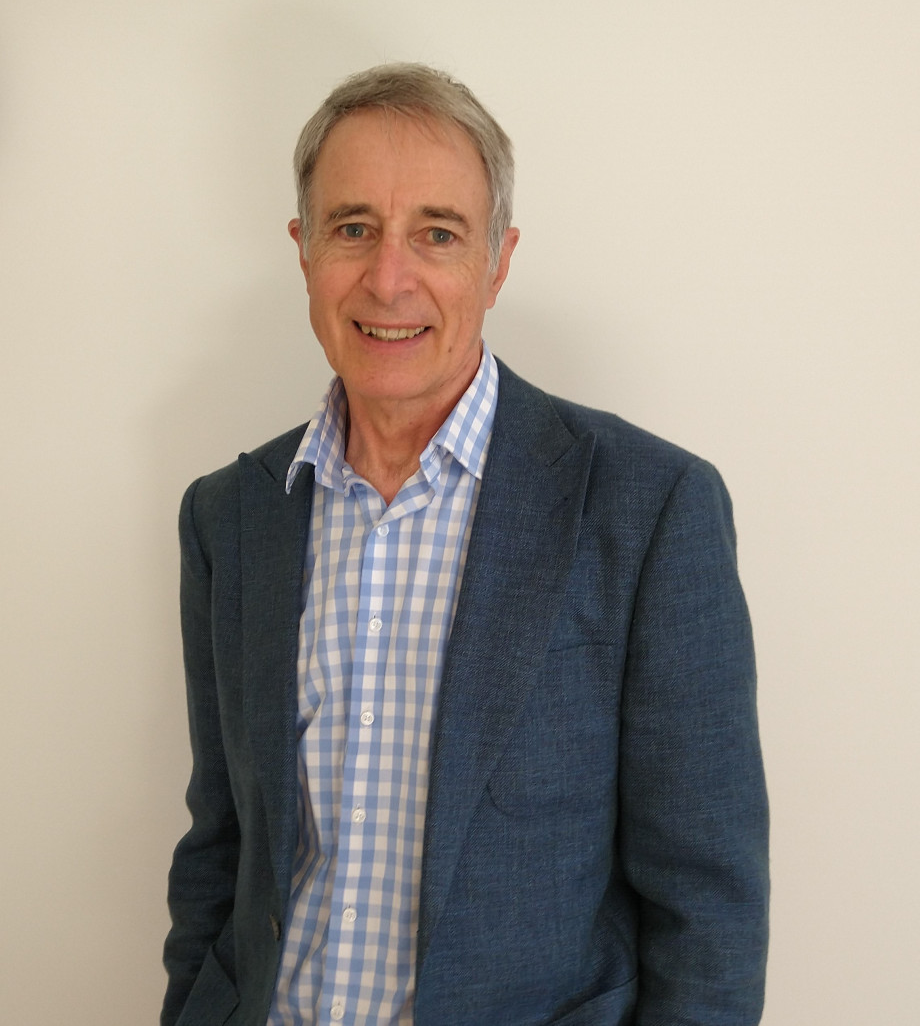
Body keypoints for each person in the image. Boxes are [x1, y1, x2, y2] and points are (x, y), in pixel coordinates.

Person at [162, 63, 769, 1026]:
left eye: (436, 234)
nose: (388, 276)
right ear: (305, 251)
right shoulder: (231, 516)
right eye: (352, 228)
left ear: (498, 260)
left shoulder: (651, 510)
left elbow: (709, 910)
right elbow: (222, 846)